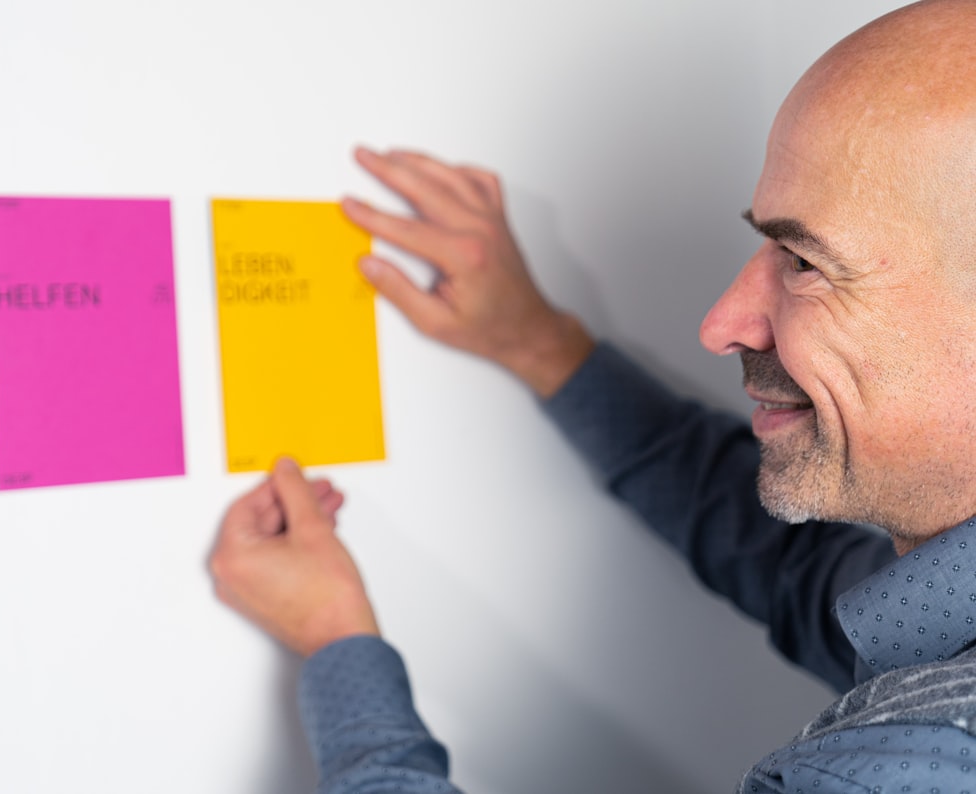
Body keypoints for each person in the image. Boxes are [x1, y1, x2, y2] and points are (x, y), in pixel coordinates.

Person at [209, 0, 976, 790]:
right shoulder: (944, 602)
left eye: (805, 262)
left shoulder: (907, 767)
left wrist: (340, 647)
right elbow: (788, 563)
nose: (721, 325)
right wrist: (539, 343)